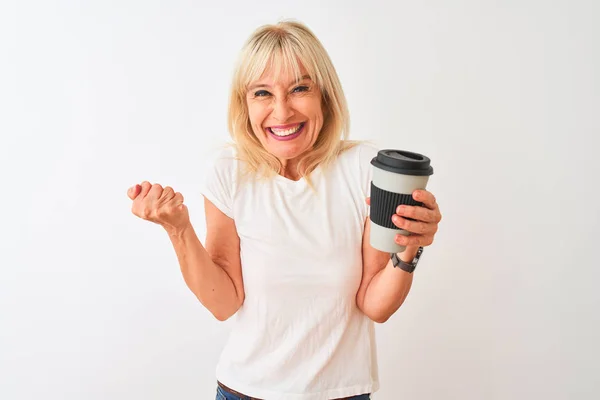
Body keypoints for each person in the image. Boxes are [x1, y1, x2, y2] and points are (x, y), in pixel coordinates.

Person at [127, 20, 442, 400]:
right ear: (244, 104)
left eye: (299, 88)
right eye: (262, 92)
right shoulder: (229, 174)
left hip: (342, 393)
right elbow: (223, 302)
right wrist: (178, 228)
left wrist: (409, 248)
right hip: (244, 392)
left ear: (324, 95)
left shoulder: (362, 168)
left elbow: (374, 305)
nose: (282, 111)